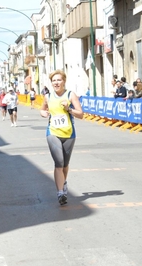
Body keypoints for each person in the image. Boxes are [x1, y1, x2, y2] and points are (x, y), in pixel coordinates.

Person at [39, 69, 84, 206]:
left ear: (64, 81)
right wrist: (44, 113)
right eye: (54, 80)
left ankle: (63, 183)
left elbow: (81, 114)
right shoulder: (48, 96)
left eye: (59, 80)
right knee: (58, 163)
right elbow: (42, 109)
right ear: (51, 83)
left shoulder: (71, 95)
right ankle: (60, 193)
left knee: (65, 165)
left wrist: (69, 109)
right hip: (53, 132)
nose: (56, 83)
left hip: (69, 134)